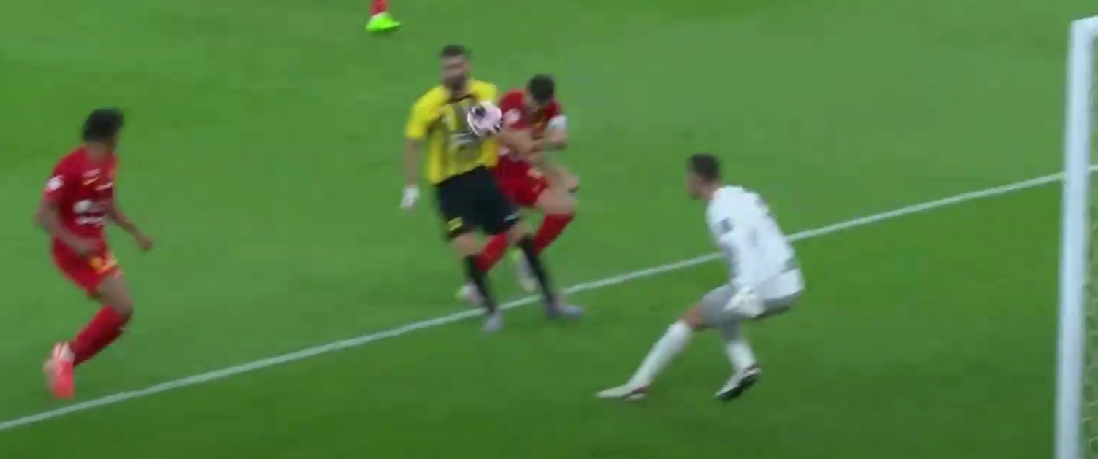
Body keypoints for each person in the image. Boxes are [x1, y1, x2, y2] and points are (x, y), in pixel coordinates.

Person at [401, 45, 581, 332]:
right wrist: (411, 187)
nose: (453, 72)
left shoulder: (484, 92)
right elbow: (413, 144)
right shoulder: (427, 105)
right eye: (448, 67)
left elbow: (495, 129)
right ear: (442, 71)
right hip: (449, 187)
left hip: (482, 179)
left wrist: (527, 148)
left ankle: (552, 302)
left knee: (522, 236)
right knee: (468, 249)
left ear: (467, 67)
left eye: (458, 66)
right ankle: (491, 312)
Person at [597, 154, 803, 401]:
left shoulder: (719, 210)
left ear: (697, 178)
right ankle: (745, 366)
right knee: (721, 308)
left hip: (762, 288)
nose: (686, 182)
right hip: (790, 283)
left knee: (690, 318)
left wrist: (746, 289)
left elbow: (741, 246)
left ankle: (638, 385)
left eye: (688, 176)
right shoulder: (742, 195)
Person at [38, 108, 154, 399]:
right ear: (110, 134)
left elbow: (108, 206)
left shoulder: (110, 163)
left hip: (96, 248)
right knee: (122, 307)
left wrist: (135, 232)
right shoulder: (70, 168)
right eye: (119, 131)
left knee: (119, 313)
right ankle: (64, 358)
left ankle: (66, 358)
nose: (121, 137)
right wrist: (75, 243)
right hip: (75, 250)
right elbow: (43, 215)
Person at [458, 74, 577, 299]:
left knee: (565, 207)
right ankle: (476, 281)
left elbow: (561, 140)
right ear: (526, 93)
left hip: (523, 173)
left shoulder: (551, 108)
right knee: (509, 228)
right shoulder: (510, 102)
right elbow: (523, 146)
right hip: (496, 174)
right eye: (534, 102)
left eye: (543, 104)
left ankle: (527, 259)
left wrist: (543, 148)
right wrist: (560, 173)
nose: (538, 108)